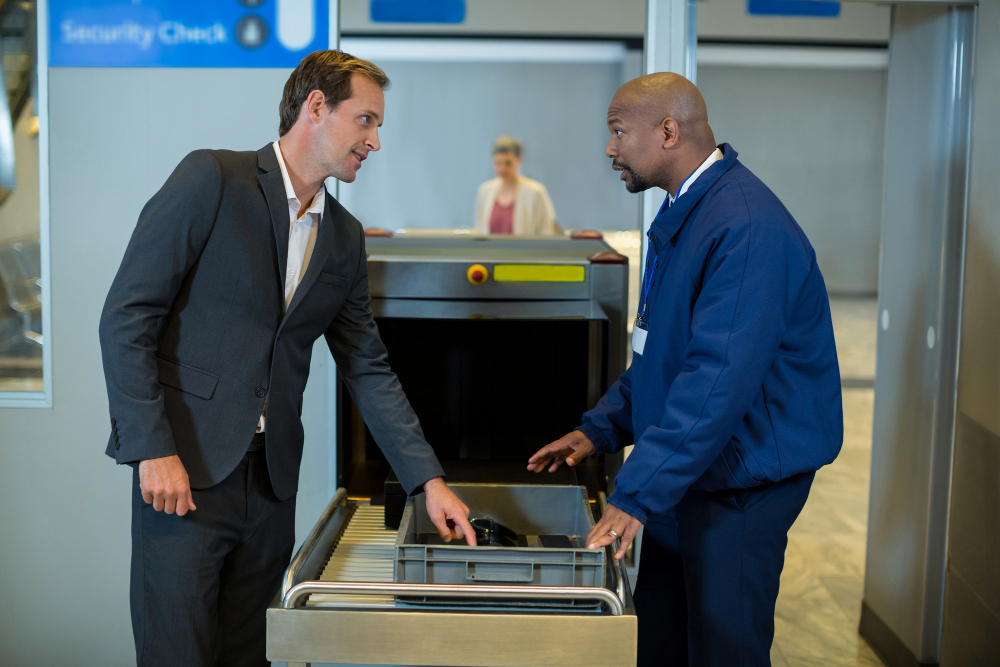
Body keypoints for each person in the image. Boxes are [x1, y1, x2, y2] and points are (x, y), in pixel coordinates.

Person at [99, 50, 476, 667]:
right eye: (366, 121)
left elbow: (367, 366)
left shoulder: (345, 238)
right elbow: (126, 316)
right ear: (317, 107)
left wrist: (426, 482)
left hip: (270, 486)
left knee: (252, 653)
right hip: (183, 475)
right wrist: (151, 447)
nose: (375, 142)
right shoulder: (212, 180)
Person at [527, 72, 843, 666]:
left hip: (742, 486)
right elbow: (659, 356)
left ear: (668, 131)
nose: (609, 148)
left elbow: (714, 382)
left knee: (724, 647)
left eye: (619, 131)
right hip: (689, 475)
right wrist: (599, 428)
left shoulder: (744, 226)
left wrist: (638, 492)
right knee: (661, 638)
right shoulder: (686, 213)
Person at [474, 134, 560, 235]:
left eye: (508, 163)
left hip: (525, 251)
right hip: (491, 251)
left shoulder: (535, 192)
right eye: (498, 163)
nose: (503, 168)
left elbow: (546, 231)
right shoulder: (485, 191)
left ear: (519, 160)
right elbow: (480, 230)